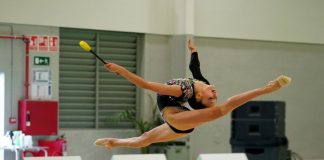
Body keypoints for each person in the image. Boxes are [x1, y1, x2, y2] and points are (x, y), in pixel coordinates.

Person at [94, 40, 292, 149]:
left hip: (178, 119)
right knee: (145, 139)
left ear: (198, 99)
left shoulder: (181, 90)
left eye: (210, 98)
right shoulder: (201, 84)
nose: (214, 93)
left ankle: (267, 89)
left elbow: (145, 84)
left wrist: (121, 70)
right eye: (213, 96)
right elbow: (195, 69)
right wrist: (194, 52)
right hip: (180, 122)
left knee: (222, 110)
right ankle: (113, 142)